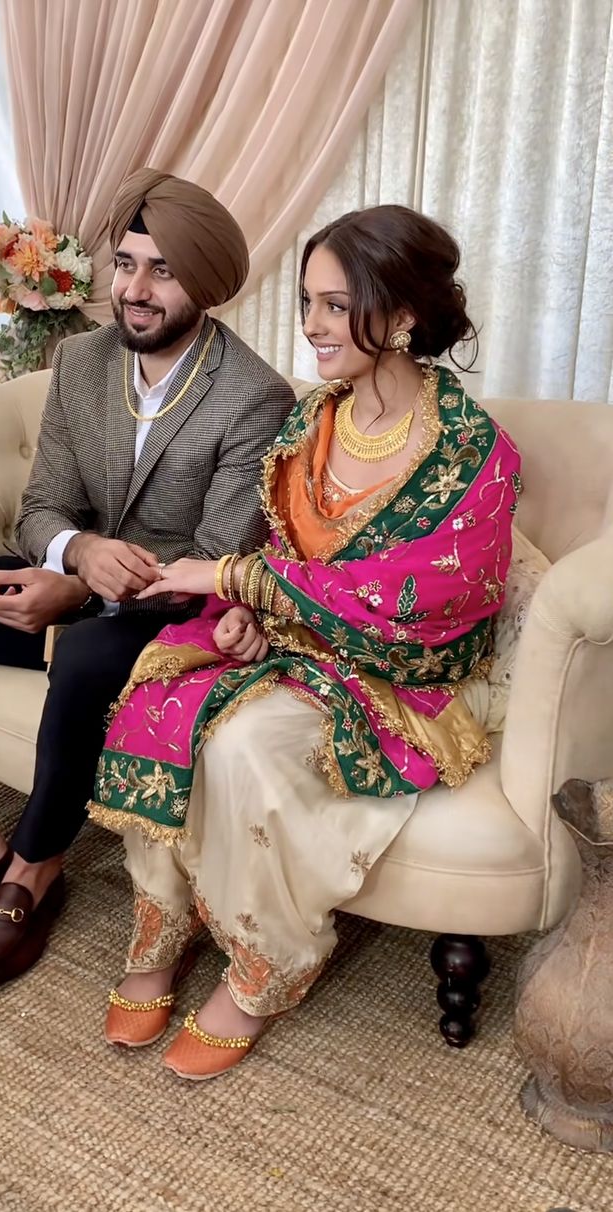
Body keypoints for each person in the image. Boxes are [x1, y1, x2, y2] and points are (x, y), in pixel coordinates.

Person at [88, 204, 522, 1080]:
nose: (311, 326)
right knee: (162, 696)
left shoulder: (475, 452)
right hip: (302, 648)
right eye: (307, 302)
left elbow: (428, 599)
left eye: (333, 305)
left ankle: (261, 970)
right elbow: (288, 554)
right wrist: (255, 615)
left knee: (245, 742)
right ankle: (163, 931)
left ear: (401, 317)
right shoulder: (307, 423)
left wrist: (242, 583)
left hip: (407, 672)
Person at [0, 169, 295, 985]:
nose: (133, 290)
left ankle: (32, 871)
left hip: (165, 615)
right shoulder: (81, 359)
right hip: (77, 579)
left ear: (203, 283)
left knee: (84, 655)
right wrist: (68, 555)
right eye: (127, 263)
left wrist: (86, 591)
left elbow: (212, 562)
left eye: (162, 271)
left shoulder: (254, 396)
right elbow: (41, 507)